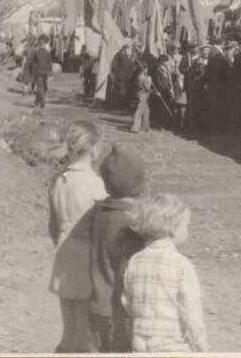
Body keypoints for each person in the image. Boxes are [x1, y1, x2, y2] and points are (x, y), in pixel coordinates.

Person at [48, 121, 108, 353]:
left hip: (64, 254)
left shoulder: (58, 182)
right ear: (93, 149)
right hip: (87, 259)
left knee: (69, 327)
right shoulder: (95, 185)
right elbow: (102, 227)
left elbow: (53, 225)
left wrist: (61, 243)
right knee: (85, 331)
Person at [122, 194, 208, 353]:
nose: (187, 231)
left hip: (139, 341)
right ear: (174, 228)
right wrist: (201, 344)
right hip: (171, 342)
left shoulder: (135, 260)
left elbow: (127, 301)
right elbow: (192, 311)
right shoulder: (181, 264)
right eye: (186, 225)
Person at [89, 146, 146, 352]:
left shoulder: (98, 213)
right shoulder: (130, 223)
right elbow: (129, 270)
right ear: (139, 182)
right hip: (118, 309)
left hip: (95, 302)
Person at [204, 38, 230, 133]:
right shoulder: (216, 53)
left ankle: (215, 128)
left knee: (216, 106)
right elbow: (219, 69)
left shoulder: (213, 51)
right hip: (217, 84)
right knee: (216, 107)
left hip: (215, 84)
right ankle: (215, 129)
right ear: (221, 42)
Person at [111, 44, 137, 111]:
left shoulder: (124, 54)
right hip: (125, 75)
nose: (127, 50)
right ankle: (122, 106)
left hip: (125, 75)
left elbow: (114, 63)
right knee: (124, 90)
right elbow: (114, 64)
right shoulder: (122, 54)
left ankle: (123, 106)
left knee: (124, 91)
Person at [30, 35, 54, 109]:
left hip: (39, 72)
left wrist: (33, 71)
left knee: (40, 87)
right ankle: (38, 101)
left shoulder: (36, 52)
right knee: (43, 87)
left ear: (39, 44)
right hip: (45, 72)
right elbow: (50, 63)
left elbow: (33, 63)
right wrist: (50, 71)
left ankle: (41, 102)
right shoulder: (47, 53)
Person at [131, 65, 153, 134]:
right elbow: (147, 88)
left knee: (146, 111)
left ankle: (145, 127)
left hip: (141, 95)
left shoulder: (139, 77)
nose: (147, 70)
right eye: (146, 69)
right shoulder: (143, 78)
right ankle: (135, 128)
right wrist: (149, 82)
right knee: (139, 111)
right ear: (143, 69)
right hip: (143, 96)